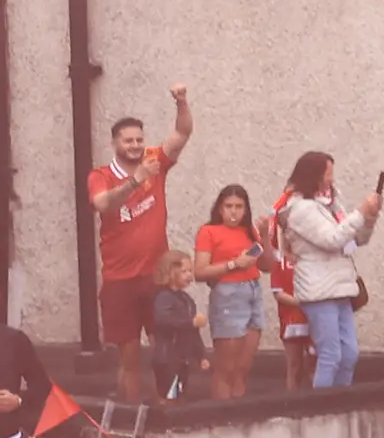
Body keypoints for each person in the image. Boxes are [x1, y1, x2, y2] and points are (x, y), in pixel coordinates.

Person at [83, 87, 193, 401]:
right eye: (127, 140)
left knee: (167, 350)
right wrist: (135, 180)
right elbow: (102, 204)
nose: (134, 145)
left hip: (157, 278)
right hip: (119, 281)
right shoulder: (101, 175)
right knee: (129, 357)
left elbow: (182, 133)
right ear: (115, 143)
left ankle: (170, 410)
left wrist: (181, 102)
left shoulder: (154, 160)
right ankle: (131, 414)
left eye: (138, 140)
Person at [271, 152, 381, 393]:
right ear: (314, 176)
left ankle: (340, 405)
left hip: (341, 287)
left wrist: (369, 218)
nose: (331, 179)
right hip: (318, 290)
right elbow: (331, 239)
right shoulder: (300, 209)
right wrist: (360, 212)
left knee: (349, 354)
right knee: (330, 354)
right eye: (327, 174)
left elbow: (356, 239)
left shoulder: (330, 207)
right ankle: (319, 409)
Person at [191, 185, 267, 399]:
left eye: (239, 207)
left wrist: (265, 237)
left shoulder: (249, 231)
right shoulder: (209, 231)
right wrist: (234, 264)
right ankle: (221, 413)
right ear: (220, 208)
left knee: (243, 366)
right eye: (229, 206)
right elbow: (200, 271)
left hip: (253, 290)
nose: (234, 212)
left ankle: (238, 411)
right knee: (227, 367)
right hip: (228, 294)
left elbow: (267, 265)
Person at [140, 253, 204, 399]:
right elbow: (163, 320)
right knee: (169, 395)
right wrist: (190, 322)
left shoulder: (187, 300)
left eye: (190, 271)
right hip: (167, 357)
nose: (189, 275)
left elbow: (193, 333)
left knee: (180, 394)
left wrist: (200, 355)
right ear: (170, 272)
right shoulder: (163, 297)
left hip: (182, 358)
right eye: (184, 271)